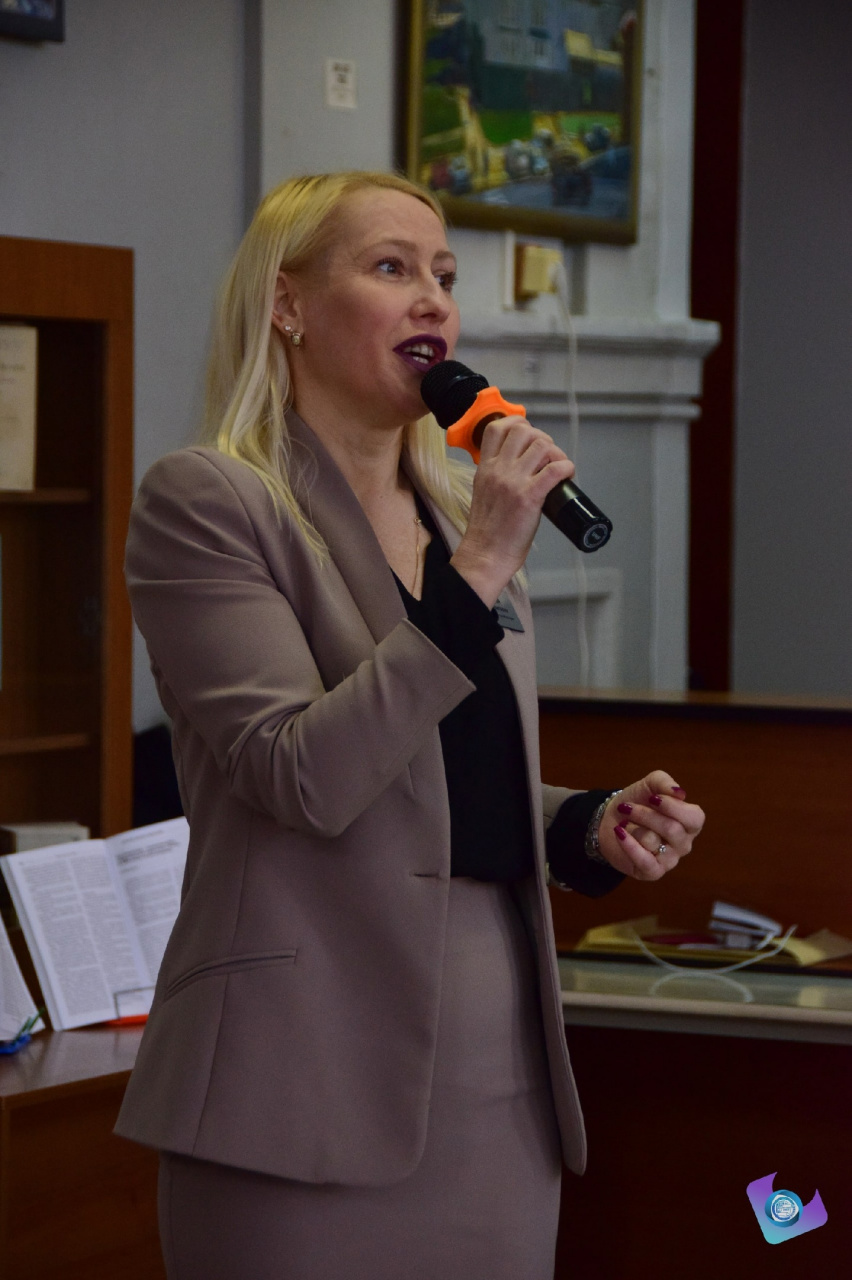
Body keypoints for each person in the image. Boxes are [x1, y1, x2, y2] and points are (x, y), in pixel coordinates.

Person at [116, 171, 705, 1280]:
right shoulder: (211, 502)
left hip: (496, 1084)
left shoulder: (459, 513)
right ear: (287, 303)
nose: (434, 299)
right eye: (391, 268)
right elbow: (300, 774)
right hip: (299, 1083)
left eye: (444, 274)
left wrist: (583, 823)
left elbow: (438, 772)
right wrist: (476, 570)